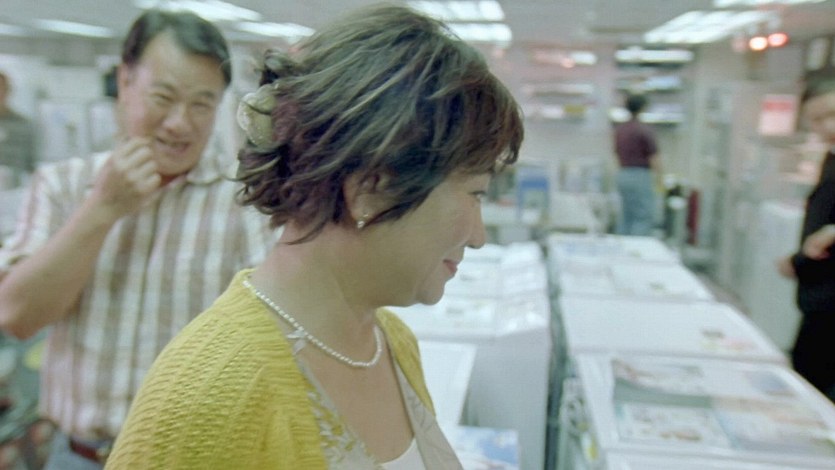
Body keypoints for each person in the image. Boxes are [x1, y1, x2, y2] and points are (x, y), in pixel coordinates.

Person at [105, 5, 523, 469]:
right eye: (475, 193)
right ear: (370, 189)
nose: (479, 235)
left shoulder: (391, 343)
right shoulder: (212, 393)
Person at [0, 10, 275, 469]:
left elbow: (272, 344)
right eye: (163, 97)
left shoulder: (246, 202)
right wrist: (102, 208)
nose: (179, 123)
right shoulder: (62, 186)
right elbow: (17, 317)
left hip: (195, 459)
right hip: (80, 456)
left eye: (202, 104)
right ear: (125, 82)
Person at [777, 77, 835, 401]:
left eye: (832, 113)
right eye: (815, 119)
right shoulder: (830, 156)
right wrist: (798, 260)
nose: (826, 126)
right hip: (818, 299)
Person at [614, 93, 660, 236]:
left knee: (626, 216)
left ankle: (623, 246)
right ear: (642, 108)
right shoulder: (644, 130)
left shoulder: (620, 130)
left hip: (623, 174)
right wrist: (660, 179)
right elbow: (654, 157)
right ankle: (638, 247)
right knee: (642, 216)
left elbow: (616, 153)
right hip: (640, 175)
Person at [0, 70, 36, 188]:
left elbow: (31, 162)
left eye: (2, 89)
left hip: (15, 188)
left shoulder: (23, 124)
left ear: (8, 91)